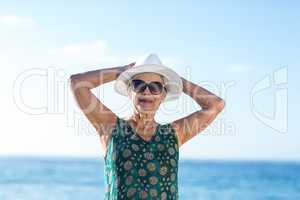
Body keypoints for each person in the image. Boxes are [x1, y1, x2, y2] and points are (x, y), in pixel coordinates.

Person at [70, 53, 225, 199]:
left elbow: (215, 105)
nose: (146, 91)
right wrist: (121, 72)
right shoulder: (111, 127)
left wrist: (177, 81)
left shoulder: (174, 134)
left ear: (163, 95)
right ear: (129, 91)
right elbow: (77, 83)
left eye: (155, 87)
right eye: (138, 85)